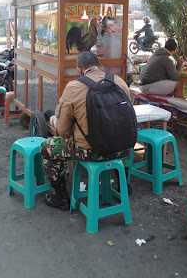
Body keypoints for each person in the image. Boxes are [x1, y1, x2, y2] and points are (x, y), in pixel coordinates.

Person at [41, 51, 132, 210]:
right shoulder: (120, 82)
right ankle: (123, 185)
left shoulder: (74, 87)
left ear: (79, 69)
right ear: (99, 65)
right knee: (115, 136)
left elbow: (62, 131)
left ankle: (60, 196)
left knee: (48, 147)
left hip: (91, 152)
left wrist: (55, 122)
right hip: (122, 148)